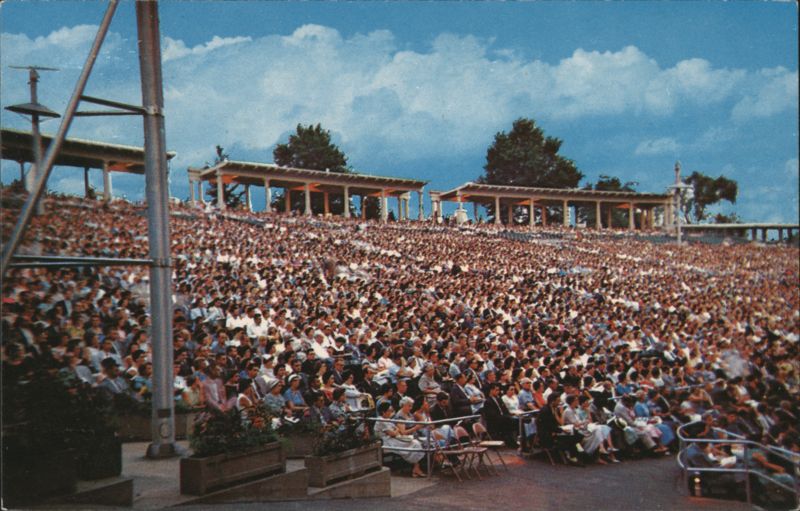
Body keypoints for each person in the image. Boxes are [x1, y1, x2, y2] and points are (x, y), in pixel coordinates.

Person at [374, 402, 427, 477]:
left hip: (394, 438)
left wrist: (395, 431)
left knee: (415, 442)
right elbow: (393, 433)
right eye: (389, 411)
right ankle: (416, 469)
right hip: (388, 442)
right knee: (414, 443)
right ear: (383, 412)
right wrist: (395, 431)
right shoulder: (380, 420)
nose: (390, 412)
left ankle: (416, 468)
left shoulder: (387, 419)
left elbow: (396, 430)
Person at [482, 383, 518, 447]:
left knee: (519, 421)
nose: (498, 392)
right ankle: (512, 443)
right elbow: (493, 415)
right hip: (495, 422)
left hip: (503, 419)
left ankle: (522, 442)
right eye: (496, 390)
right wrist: (506, 417)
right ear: (491, 390)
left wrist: (509, 415)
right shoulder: (488, 402)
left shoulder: (499, 399)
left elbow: (505, 410)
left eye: (498, 390)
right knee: (509, 421)